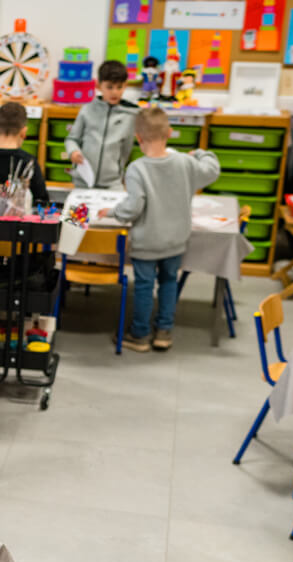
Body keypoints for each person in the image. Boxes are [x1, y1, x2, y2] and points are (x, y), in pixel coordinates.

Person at [104, 107, 220, 352]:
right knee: (169, 282)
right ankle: (164, 332)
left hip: (147, 241)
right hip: (176, 239)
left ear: (138, 138)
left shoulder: (137, 169)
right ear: (170, 133)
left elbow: (133, 207)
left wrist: (113, 212)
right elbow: (212, 170)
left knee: (145, 287)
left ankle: (140, 334)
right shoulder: (185, 162)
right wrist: (200, 152)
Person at [0, 101, 49, 241]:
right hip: (21, 231)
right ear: (24, 132)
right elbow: (41, 198)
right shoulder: (29, 162)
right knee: (19, 262)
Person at [64, 60, 138, 189]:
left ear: (125, 86)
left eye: (119, 87)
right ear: (99, 86)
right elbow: (72, 139)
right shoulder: (87, 110)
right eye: (109, 87)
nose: (114, 92)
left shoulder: (130, 116)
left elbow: (127, 149)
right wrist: (73, 152)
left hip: (113, 184)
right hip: (83, 181)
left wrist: (118, 171)